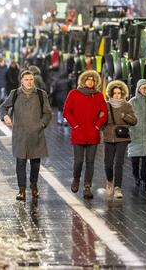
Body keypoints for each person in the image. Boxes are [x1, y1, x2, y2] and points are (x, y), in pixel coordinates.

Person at [0, 70, 52, 201]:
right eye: (26, 79)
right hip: (20, 134)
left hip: (36, 134)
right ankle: (21, 190)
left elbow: (47, 113)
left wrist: (42, 124)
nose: (29, 82)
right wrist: (5, 116)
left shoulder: (41, 94)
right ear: (21, 81)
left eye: (31, 79)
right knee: (20, 163)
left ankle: (33, 185)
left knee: (35, 163)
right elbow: (3, 107)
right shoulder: (15, 93)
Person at [62, 70, 107, 200]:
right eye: (88, 79)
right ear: (83, 81)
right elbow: (67, 111)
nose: (90, 82)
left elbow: (104, 113)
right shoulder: (74, 94)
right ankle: (76, 179)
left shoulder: (98, 96)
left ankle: (87, 186)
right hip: (78, 133)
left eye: (92, 80)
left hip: (93, 134)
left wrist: (97, 126)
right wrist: (75, 125)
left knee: (90, 162)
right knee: (79, 161)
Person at [102, 80, 137, 199]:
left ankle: (118, 188)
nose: (117, 95)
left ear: (122, 94)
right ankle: (109, 181)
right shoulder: (105, 105)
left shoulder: (127, 105)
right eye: (115, 93)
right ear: (111, 94)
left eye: (119, 93)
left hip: (122, 138)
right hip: (108, 137)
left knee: (119, 163)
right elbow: (100, 120)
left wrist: (124, 116)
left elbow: (134, 121)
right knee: (108, 163)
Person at [128, 80, 146, 189]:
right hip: (134, 133)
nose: (145, 90)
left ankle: (143, 179)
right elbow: (127, 116)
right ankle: (136, 177)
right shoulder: (132, 101)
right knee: (134, 159)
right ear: (139, 89)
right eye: (143, 88)